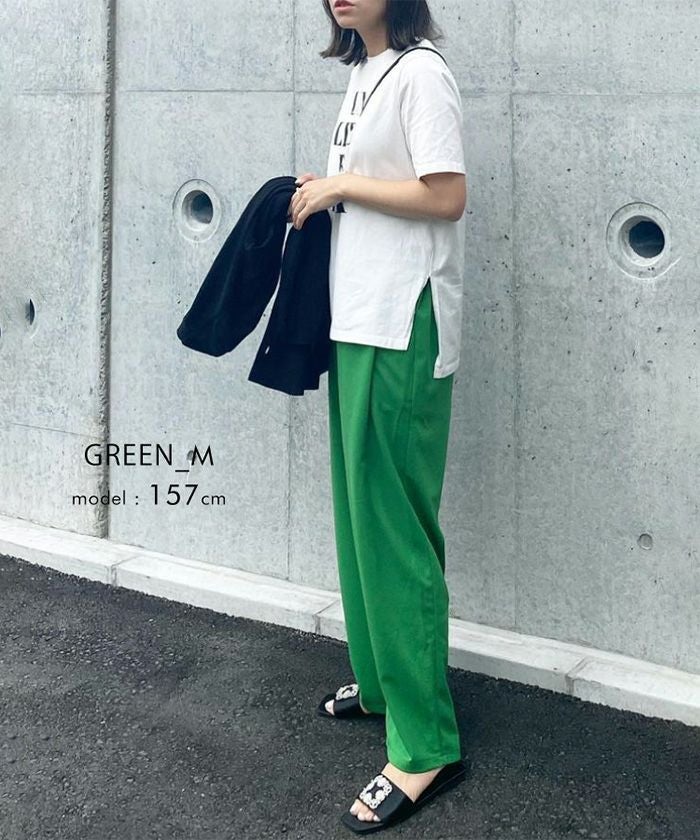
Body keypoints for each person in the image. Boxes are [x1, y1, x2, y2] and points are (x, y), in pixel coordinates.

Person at [288, 0, 468, 832]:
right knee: (360, 514)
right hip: (357, 315)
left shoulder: (423, 73)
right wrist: (322, 191)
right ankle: (386, 683)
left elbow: (447, 196)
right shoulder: (364, 72)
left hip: (403, 320)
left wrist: (340, 185)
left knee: (396, 529)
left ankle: (426, 743)